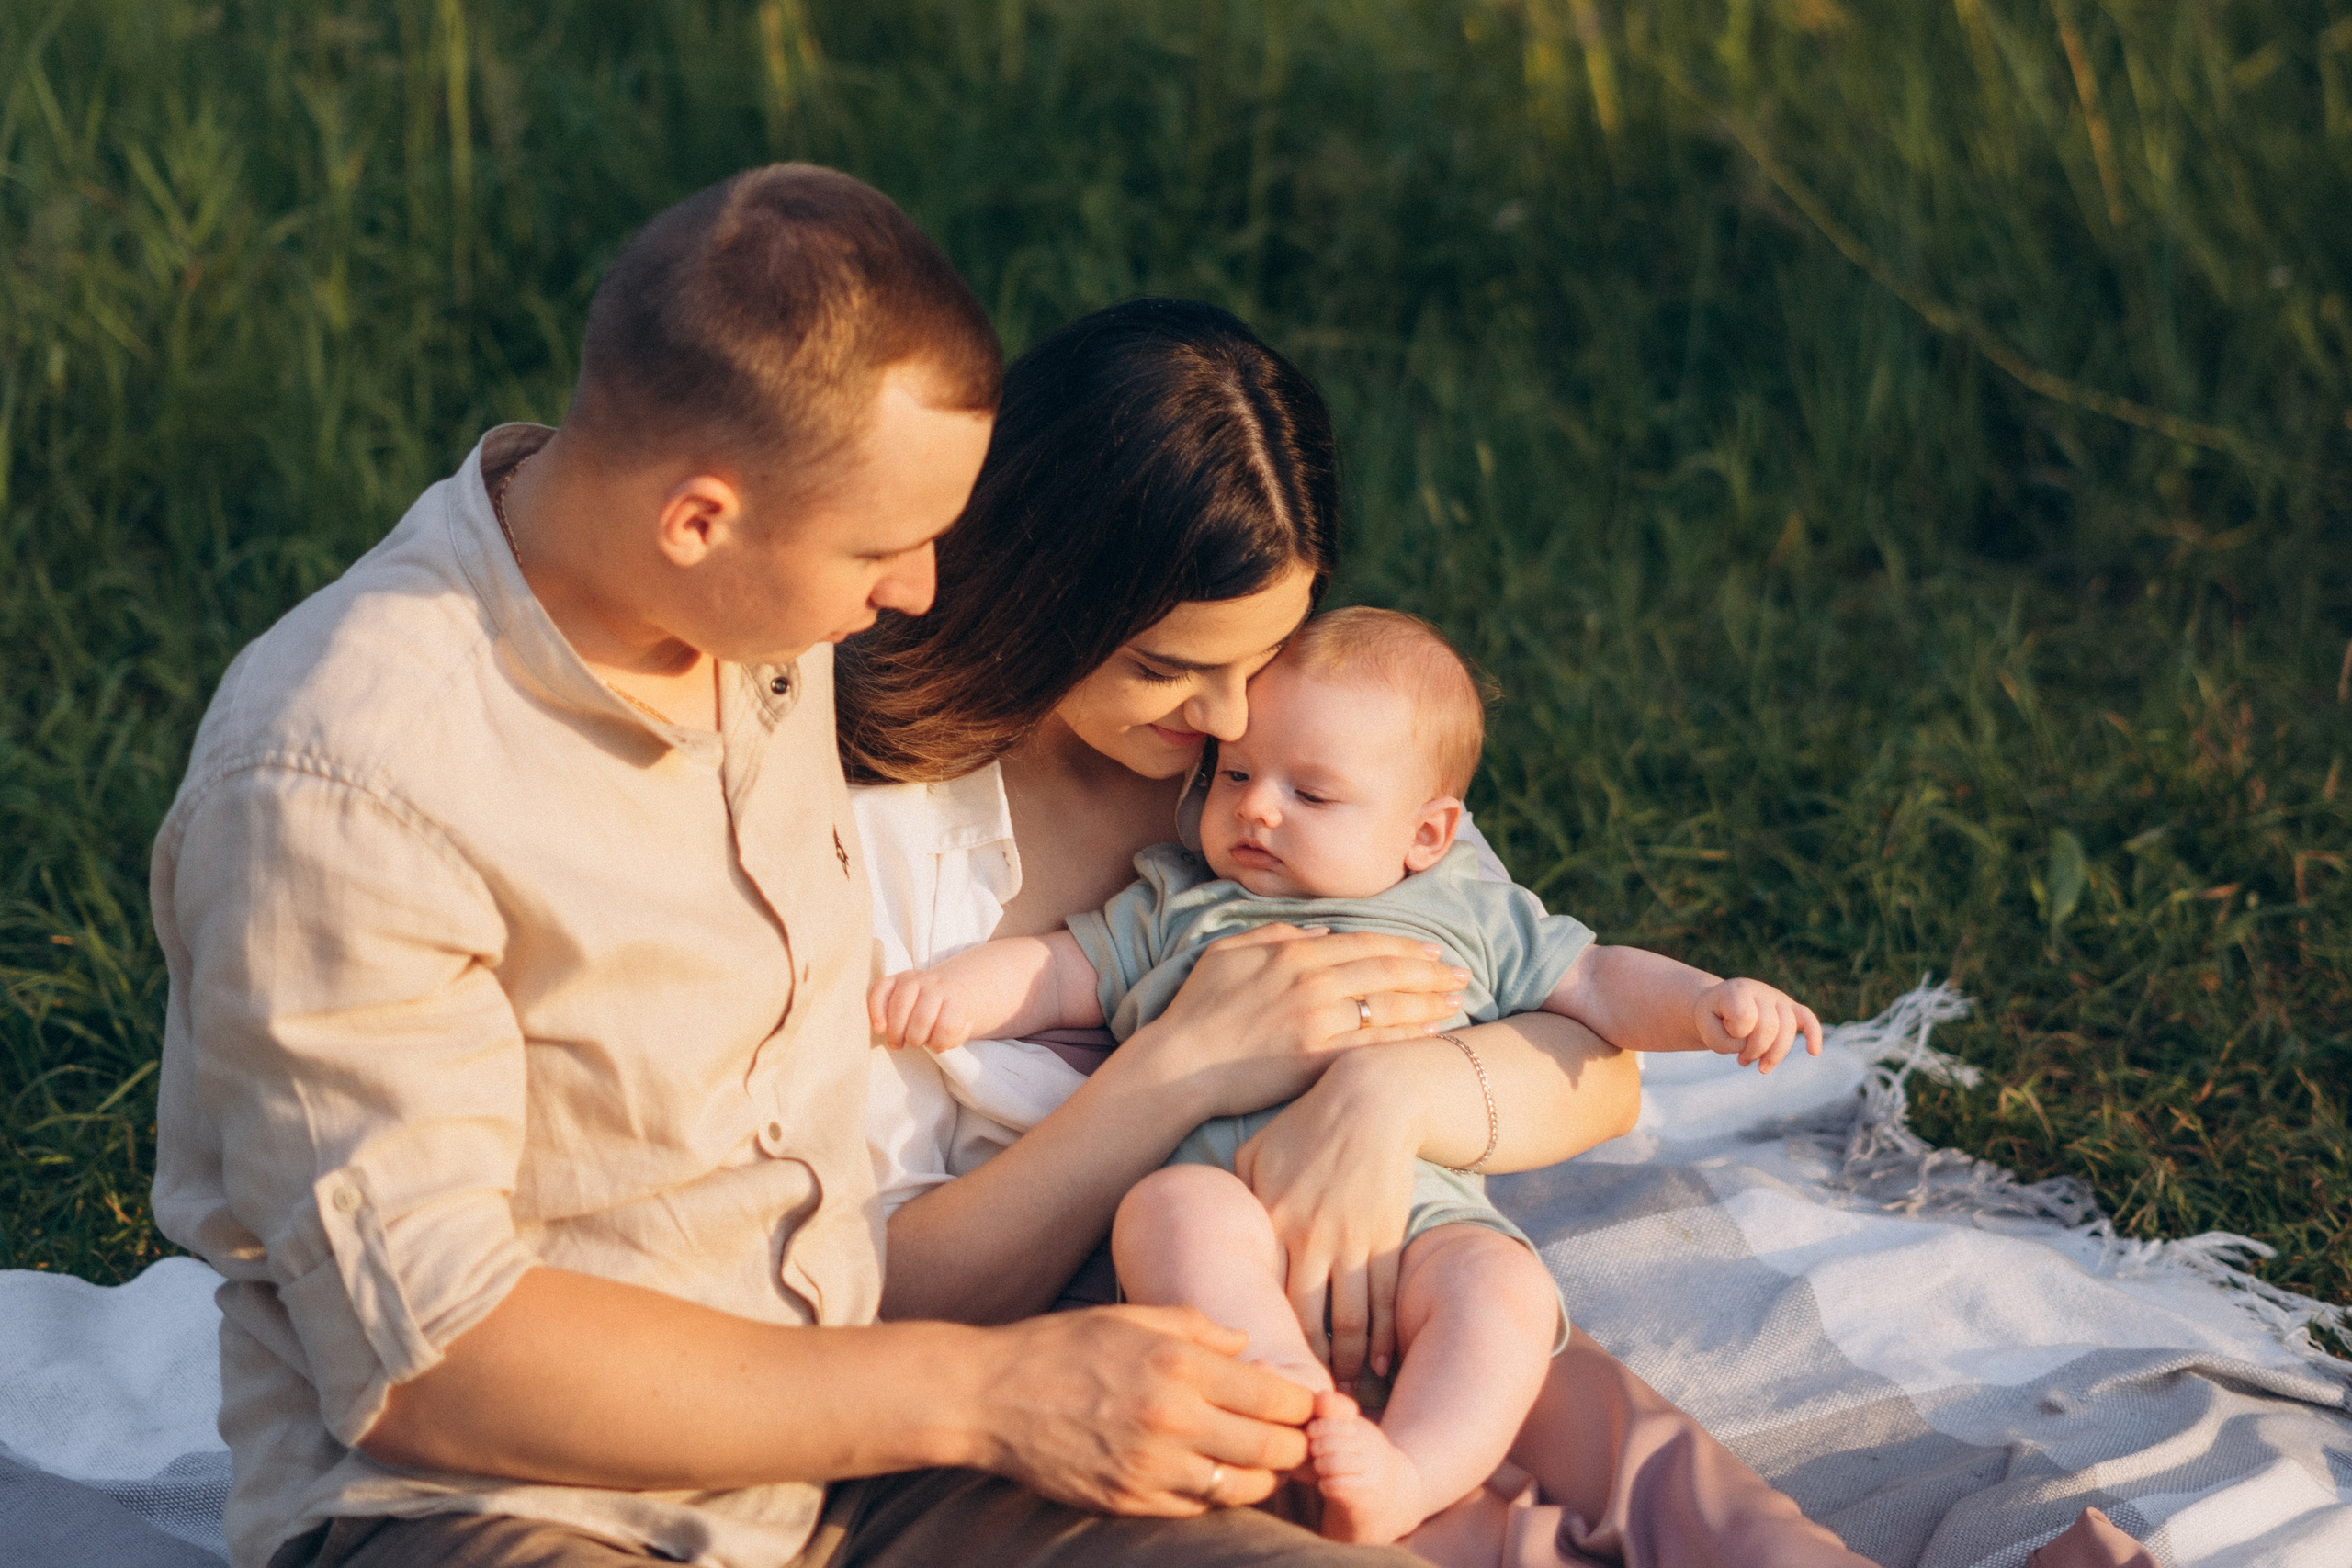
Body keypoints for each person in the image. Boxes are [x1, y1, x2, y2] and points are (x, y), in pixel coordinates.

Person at [150, 166, 1452, 1568]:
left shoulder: (751, 619)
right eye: (882, 548)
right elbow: (432, 1363)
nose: (921, 591)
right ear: (697, 517)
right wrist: (990, 1392)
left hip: (858, 1454)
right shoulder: (342, 778)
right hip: (503, 1507)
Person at [840, 299, 1878, 1567]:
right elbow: (880, 1293)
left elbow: (1598, 1069)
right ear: (1046, 587)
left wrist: (1390, 1098)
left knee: (1660, 1470)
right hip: (1128, 1318)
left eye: (1262, 653)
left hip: (1404, 1243)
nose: (1231, 719)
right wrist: (1181, 1070)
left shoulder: (1303, 751)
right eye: (1170, 665)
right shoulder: (875, 840)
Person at [865, 606, 1826, 1543]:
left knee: (1506, 1289)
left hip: (1416, 1230)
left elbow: (1599, 985)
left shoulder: (1452, 902)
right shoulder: (1183, 897)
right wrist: (956, 993)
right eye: (1236, 775)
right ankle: (1289, 1394)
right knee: (1170, 1213)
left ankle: (1410, 1473)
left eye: (1310, 796)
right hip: (1228, 1216)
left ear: (1428, 834)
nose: (1256, 805)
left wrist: (1707, 1002)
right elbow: (1059, 971)